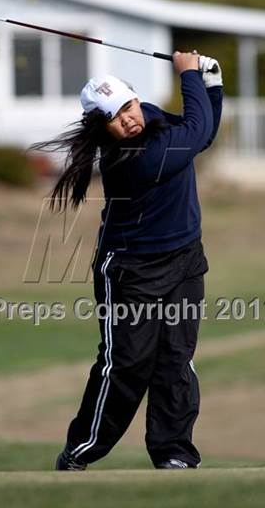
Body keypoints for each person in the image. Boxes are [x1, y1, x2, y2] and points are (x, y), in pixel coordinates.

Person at [31, 51, 223, 470]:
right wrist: (191, 75)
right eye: (115, 116)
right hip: (132, 270)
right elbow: (194, 132)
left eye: (129, 105)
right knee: (127, 365)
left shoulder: (151, 117)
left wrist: (213, 86)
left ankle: (174, 453)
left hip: (185, 258)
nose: (128, 119)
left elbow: (201, 134)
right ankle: (79, 453)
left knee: (177, 359)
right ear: (102, 127)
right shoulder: (130, 157)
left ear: (137, 98)